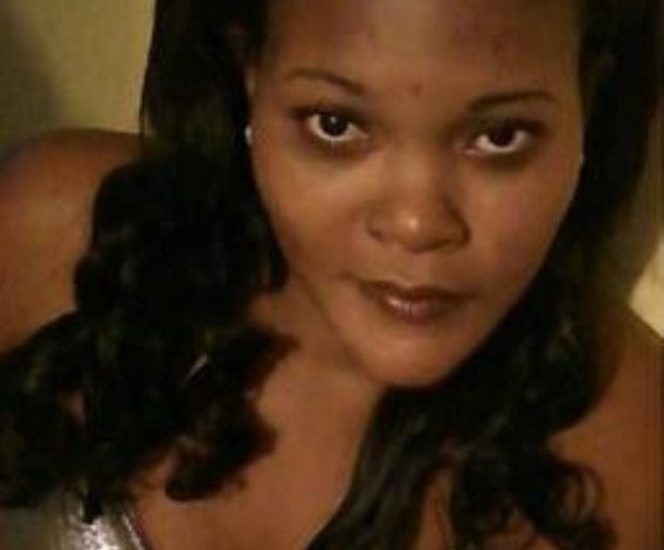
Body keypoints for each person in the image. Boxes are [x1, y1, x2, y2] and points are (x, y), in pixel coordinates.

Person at [0, 0, 661, 548]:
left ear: (588, 98)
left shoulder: (628, 445)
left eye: (500, 136)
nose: (417, 223)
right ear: (250, 73)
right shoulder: (61, 235)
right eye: (337, 125)